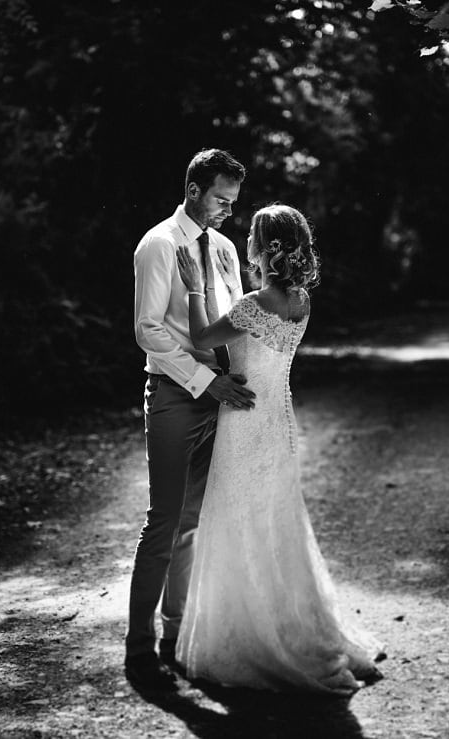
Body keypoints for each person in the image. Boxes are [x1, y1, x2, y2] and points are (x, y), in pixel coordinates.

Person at [173, 203, 383, 693]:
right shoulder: (299, 301)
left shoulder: (257, 303)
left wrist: (194, 285)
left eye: (251, 236)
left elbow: (204, 337)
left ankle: (255, 639)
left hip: (246, 424)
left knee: (240, 525)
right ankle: (289, 627)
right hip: (279, 421)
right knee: (275, 527)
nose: (245, 242)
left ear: (266, 246)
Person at [126, 149, 257, 690]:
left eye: (233, 202)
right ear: (195, 188)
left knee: (193, 524)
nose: (227, 210)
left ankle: (175, 635)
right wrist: (207, 382)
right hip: (178, 396)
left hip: (224, 397)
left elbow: (230, 319)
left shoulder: (225, 248)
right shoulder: (159, 243)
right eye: (221, 198)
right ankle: (138, 647)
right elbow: (148, 330)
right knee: (163, 521)